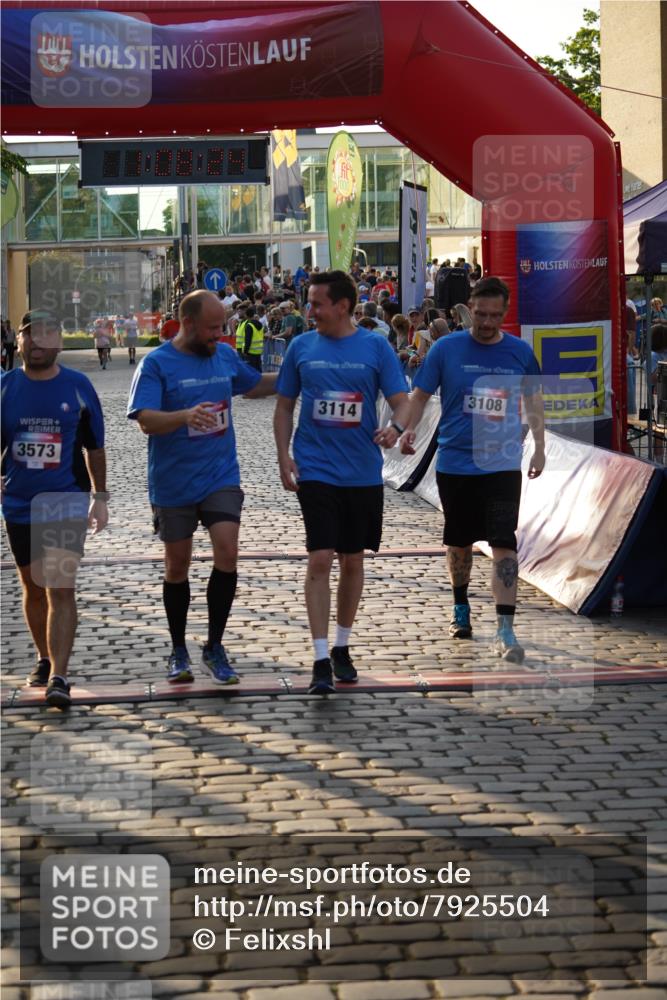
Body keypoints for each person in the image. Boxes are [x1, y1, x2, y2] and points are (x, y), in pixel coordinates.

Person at [127, 290, 277, 685]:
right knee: (177, 565)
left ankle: (214, 645)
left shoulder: (224, 355)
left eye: (221, 326)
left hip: (220, 475)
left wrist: (299, 375)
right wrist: (184, 416)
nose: (218, 334)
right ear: (188, 323)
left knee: (227, 551)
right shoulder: (156, 364)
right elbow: (145, 420)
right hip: (173, 481)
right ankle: (179, 648)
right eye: (212, 328)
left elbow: (254, 385)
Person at [273, 270, 411, 694]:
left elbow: (402, 401)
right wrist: (283, 455)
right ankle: (319, 658)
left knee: (353, 559)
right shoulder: (300, 347)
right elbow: (284, 406)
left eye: (316, 303)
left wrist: (396, 428)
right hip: (315, 468)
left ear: (342, 306)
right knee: (320, 557)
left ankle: (341, 647)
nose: (309, 310)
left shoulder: (375, 347)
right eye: (309, 302)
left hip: (361, 472)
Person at [400, 276, 545, 663]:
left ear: (505, 313)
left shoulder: (520, 352)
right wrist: (407, 429)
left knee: (504, 542)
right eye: (480, 314)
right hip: (456, 463)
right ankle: (460, 607)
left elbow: (534, 401)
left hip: (502, 464)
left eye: (495, 316)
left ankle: (505, 628)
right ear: (470, 309)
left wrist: (540, 448)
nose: (486, 323)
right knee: (459, 541)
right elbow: (420, 396)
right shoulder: (446, 349)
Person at [1, 309, 108, 707]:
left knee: (60, 587)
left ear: (59, 343)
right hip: (18, 502)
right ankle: (44, 658)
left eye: (47, 334)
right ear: (19, 340)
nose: (38, 341)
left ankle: (59, 676)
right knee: (32, 586)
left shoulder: (77, 386)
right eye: (30, 334)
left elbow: (94, 446)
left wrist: (100, 497)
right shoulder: (5, 387)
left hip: (65, 499)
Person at [235, 304, 264, 371]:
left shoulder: (249, 324)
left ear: (245, 314)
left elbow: (248, 339)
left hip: (249, 351)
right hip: (257, 351)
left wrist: (245, 351)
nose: (238, 313)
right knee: (257, 369)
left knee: (250, 370)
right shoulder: (259, 324)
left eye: (240, 311)